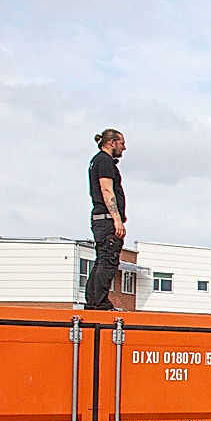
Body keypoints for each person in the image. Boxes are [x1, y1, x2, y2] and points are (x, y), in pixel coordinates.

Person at [85, 129, 127, 310]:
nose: (124, 148)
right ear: (111, 143)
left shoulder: (97, 161)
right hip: (106, 218)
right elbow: (107, 190)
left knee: (102, 259)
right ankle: (100, 303)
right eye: (121, 143)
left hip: (100, 219)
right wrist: (117, 219)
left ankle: (94, 301)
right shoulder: (104, 161)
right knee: (108, 260)